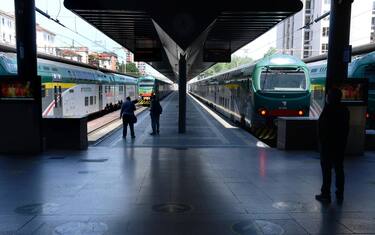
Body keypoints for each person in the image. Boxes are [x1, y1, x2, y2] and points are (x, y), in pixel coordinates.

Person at [316, 88, 350, 203]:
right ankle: (340, 193)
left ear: (330, 97)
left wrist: (321, 142)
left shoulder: (328, 110)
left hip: (327, 145)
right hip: (340, 144)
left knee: (326, 170)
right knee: (339, 168)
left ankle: (325, 194)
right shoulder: (345, 109)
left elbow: (323, 128)